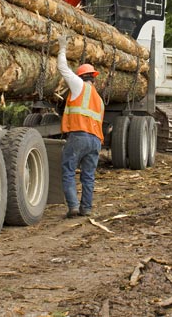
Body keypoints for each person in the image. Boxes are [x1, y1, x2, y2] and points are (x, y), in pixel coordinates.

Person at [57, 34, 105, 218]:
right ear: (93, 77)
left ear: (81, 76)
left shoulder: (78, 85)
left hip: (79, 137)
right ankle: (86, 208)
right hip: (95, 141)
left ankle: (73, 206)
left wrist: (62, 47)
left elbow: (62, 68)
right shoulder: (99, 100)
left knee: (68, 170)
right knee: (88, 175)